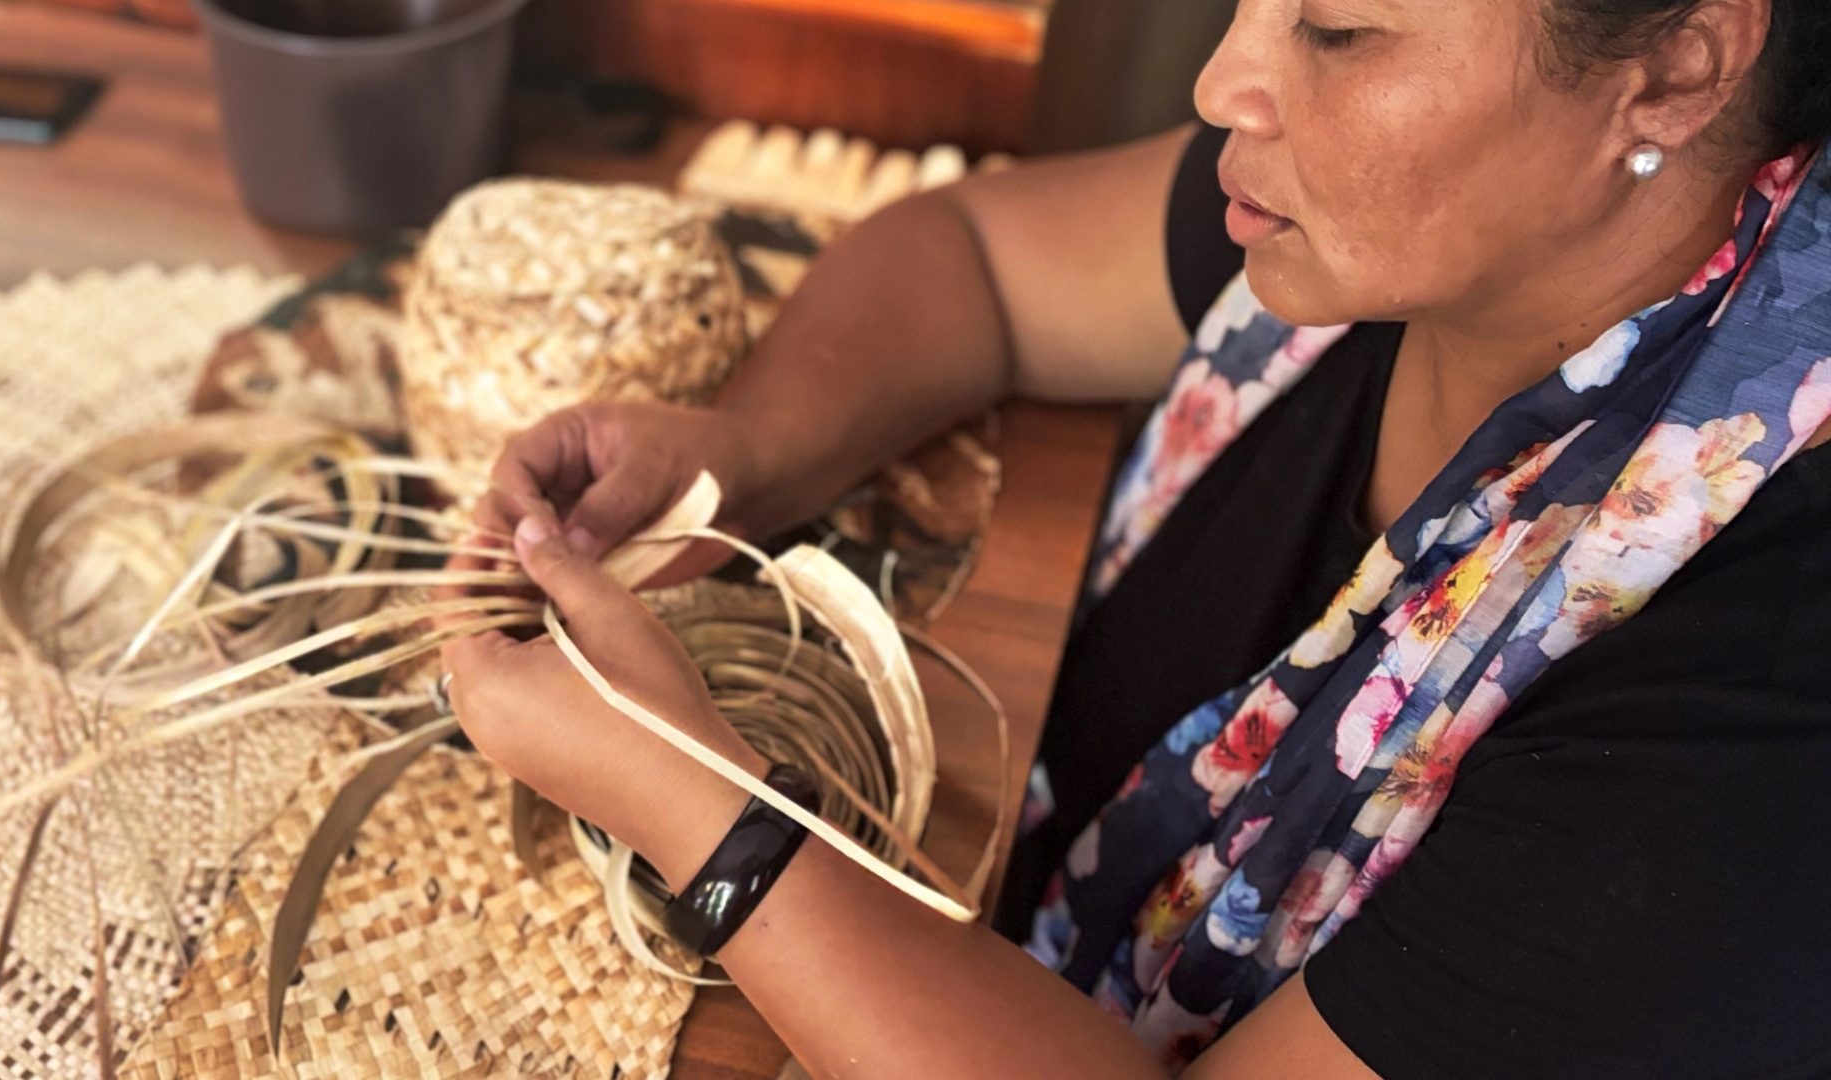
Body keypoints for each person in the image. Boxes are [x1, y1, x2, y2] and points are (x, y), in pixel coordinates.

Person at [437, 0, 1831, 1075]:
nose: (1224, 80)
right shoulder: (1398, 218)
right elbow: (980, 259)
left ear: (1679, 69)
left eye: (1339, 28)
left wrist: (698, 803)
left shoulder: (1761, 687)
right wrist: (747, 454)